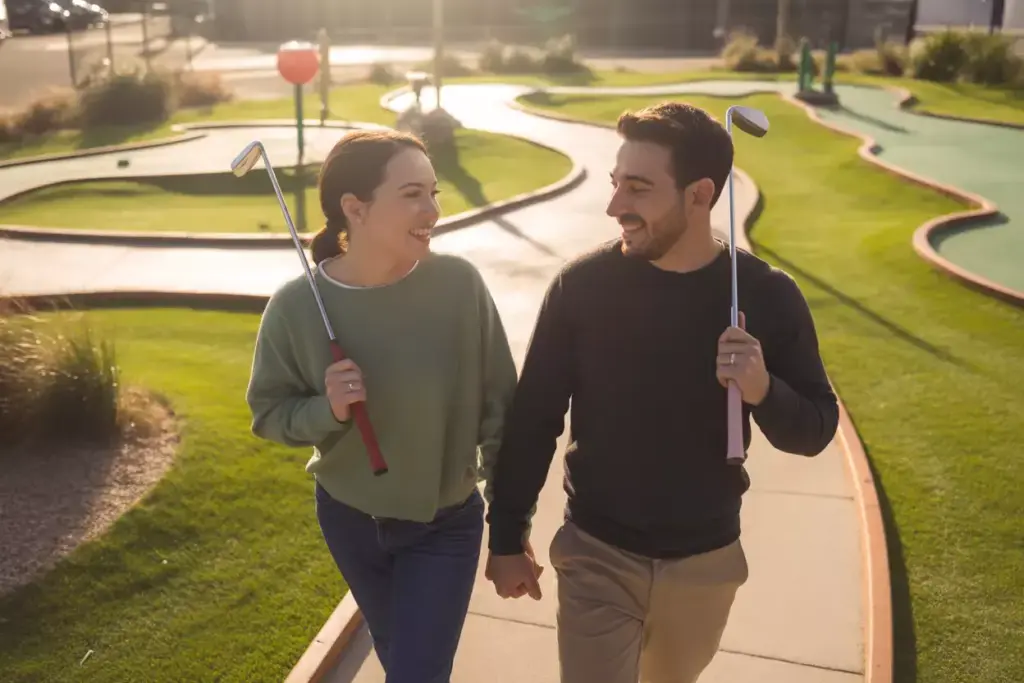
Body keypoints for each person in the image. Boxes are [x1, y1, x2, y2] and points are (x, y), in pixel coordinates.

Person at [483, 102, 840, 683]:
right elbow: (534, 419)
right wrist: (505, 535)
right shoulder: (581, 287)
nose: (615, 206)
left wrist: (762, 388)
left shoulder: (766, 295)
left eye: (639, 189)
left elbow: (816, 428)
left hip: (707, 560)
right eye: (616, 183)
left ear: (700, 195)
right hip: (596, 551)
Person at [245, 129, 518, 683]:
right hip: (349, 518)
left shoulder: (459, 285)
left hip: (445, 525)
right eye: (414, 194)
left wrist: (512, 528)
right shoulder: (296, 307)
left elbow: (501, 411)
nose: (434, 210)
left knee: (416, 672)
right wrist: (329, 410)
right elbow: (269, 414)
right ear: (355, 208)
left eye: (434, 192)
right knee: (405, 660)